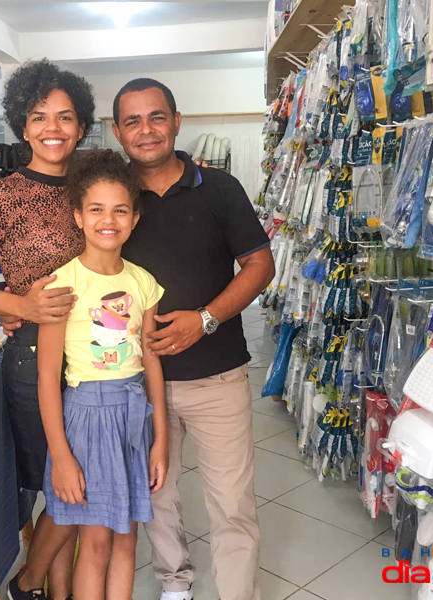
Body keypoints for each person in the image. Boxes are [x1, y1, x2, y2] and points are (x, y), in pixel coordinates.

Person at [112, 78, 276, 600]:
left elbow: (259, 264)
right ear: (118, 132)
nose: (146, 130)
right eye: (133, 121)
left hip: (217, 377)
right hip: (137, 380)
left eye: (156, 117)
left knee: (231, 502)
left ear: (177, 122)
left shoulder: (220, 188)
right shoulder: (112, 199)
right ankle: (174, 582)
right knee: (158, 494)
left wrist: (204, 319)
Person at [0, 59, 95, 600]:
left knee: (86, 479)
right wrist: (21, 305)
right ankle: (39, 586)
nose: (52, 129)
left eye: (64, 117)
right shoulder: (2, 196)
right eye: (39, 117)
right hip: (37, 356)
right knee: (60, 484)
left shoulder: (96, 183)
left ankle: (39, 585)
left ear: (81, 125)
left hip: (102, 351)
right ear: (22, 125)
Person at [37, 149, 168, 600]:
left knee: (128, 537)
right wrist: (62, 455)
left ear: (134, 218)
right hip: (86, 419)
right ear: (77, 216)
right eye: (95, 209)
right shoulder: (59, 285)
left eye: (119, 210)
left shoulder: (144, 283)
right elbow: (47, 377)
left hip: (133, 418)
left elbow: (151, 361)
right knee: (94, 541)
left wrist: (162, 441)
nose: (107, 220)